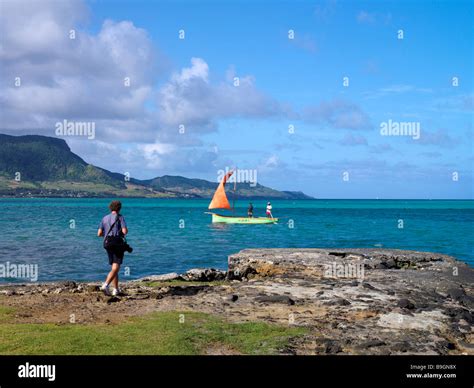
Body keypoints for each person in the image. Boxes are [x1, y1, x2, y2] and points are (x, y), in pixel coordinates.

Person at [97, 200, 128, 296]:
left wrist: (108, 235)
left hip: (107, 243)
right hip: (117, 244)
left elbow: (99, 234)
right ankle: (105, 285)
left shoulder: (104, 218)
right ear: (119, 208)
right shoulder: (120, 217)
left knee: (114, 267)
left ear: (110, 208)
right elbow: (125, 231)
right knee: (116, 267)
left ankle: (116, 289)